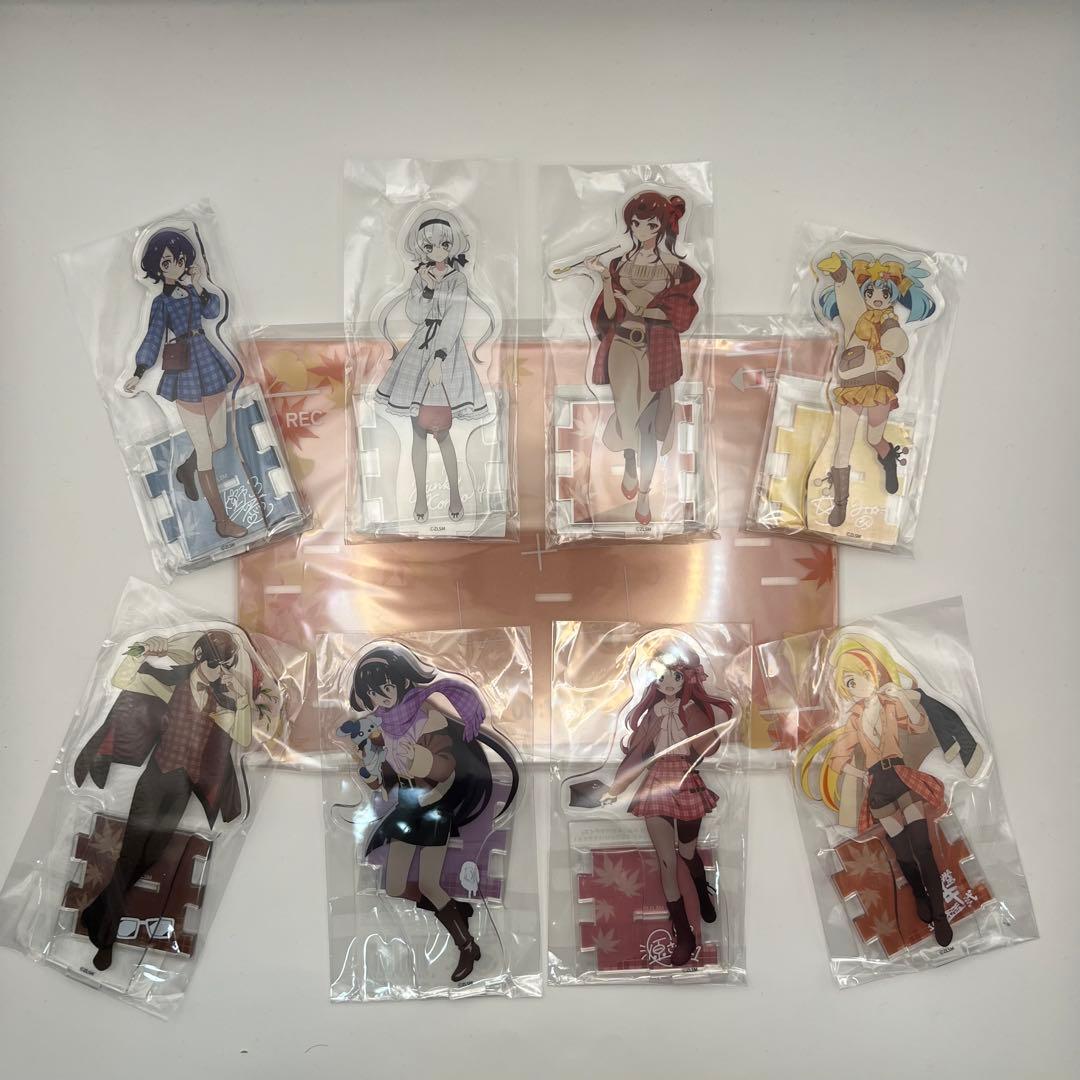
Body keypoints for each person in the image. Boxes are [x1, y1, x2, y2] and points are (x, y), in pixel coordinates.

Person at [73, 631, 255, 970]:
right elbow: (121, 679)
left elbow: (243, 736)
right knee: (130, 857)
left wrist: (242, 700)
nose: (219, 672)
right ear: (198, 657)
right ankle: (105, 941)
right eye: (214, 663)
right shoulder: (172, 686)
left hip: (182, 789)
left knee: (152, 855)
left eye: (225, 666)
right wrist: (143, 650)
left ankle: (95, 912)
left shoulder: (220, 702)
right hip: (155, 780)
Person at [346, 644, 518, 982]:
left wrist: (417, 759)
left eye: (385, 687)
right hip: (407, 807)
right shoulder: (381, 727)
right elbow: (386, 776)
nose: (380, 697)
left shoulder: (427, 720)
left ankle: (467, 945)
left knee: (428, 883)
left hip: (434, 808)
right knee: (394, 886)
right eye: (372, 692)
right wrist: (372, 772)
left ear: (402, 682)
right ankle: (452, 908)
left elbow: (445, 767)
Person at [601, 647, 735, 966]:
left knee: (687, 853)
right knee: (666, 862)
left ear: (686, 679)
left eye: (675, 676)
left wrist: (692, 713)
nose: (668, 683)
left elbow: (710, 747)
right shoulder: (652, 715)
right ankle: (684, 935)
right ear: (654, 681)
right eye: (662, 678)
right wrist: (616, 788)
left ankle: (702, 894)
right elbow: (637, 755)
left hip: (686, 780)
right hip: (657, 782)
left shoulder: (692, 711)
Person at [585, 191, 701, 526]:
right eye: (636, 223)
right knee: (626, 417)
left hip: (655, 350)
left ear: (661, 226)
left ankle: (646, 493)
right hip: (621, 348)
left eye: (649, 224)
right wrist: (604, 278)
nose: (641, 229)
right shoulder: (619, 265)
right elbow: (608, 315)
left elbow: (680, 316)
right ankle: (630, 462)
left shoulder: (676, 270)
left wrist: (641, 308)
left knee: (647, 424)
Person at [374, 210, 495, 523]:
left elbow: (454, 320)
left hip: (446, 351)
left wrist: (439, 358)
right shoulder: (421, 276)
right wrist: (426, 288)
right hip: (419, 346)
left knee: (441, 431)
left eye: (443, 244)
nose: (437, 251)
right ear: (421, 249)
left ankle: (455, 494)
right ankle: (421, 499)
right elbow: (415, 314)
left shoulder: (458, 279)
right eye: (429, 247)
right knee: (417, 431)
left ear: (452, 245)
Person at [125, 227, 247, 539]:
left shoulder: (192, 291)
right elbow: (153, 336)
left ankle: (186, 468)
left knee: (219, 442)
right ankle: (222, 521)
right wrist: (139, 370)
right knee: (205, 448)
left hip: (209, 363)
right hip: (185, 372)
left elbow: (214, 310)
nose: (175, 266)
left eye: (179, 260)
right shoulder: (161, 303)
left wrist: (200, 283)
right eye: (167, 262)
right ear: (157, 267)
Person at [815, 251, 935, 527]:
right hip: (852, 386)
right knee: (843, 444)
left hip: (879, 388)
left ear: (892, 296)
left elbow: (898, 342)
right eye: (871, 292)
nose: (877, 297)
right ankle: (840, 504)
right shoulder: (857, 319)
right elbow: (848, 298)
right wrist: (840, 272)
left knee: (873, 438)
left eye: (884, 292)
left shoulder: (892, 322)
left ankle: (888, 457)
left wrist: (890, 341)